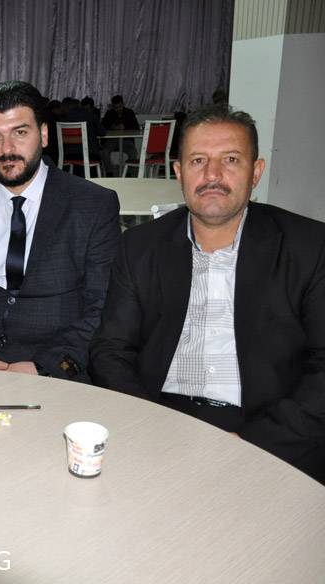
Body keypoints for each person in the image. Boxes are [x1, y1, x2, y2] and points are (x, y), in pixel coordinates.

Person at [89, 104, 325, 483]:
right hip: (159, 415)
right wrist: (149, 424)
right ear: (179, 173)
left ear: (256, 172)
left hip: (265, 427)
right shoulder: (140, 246)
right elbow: (111, 350)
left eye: (230, 160)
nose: (212, 175)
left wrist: (256, 442)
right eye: (198, 161)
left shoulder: (309, 247)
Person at [0, 81, 120, 379]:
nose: (7, 150)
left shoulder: (92, 205)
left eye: (20, 132)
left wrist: (44, 367)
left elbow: (102, 308)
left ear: (44, 134)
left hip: (52, 366)